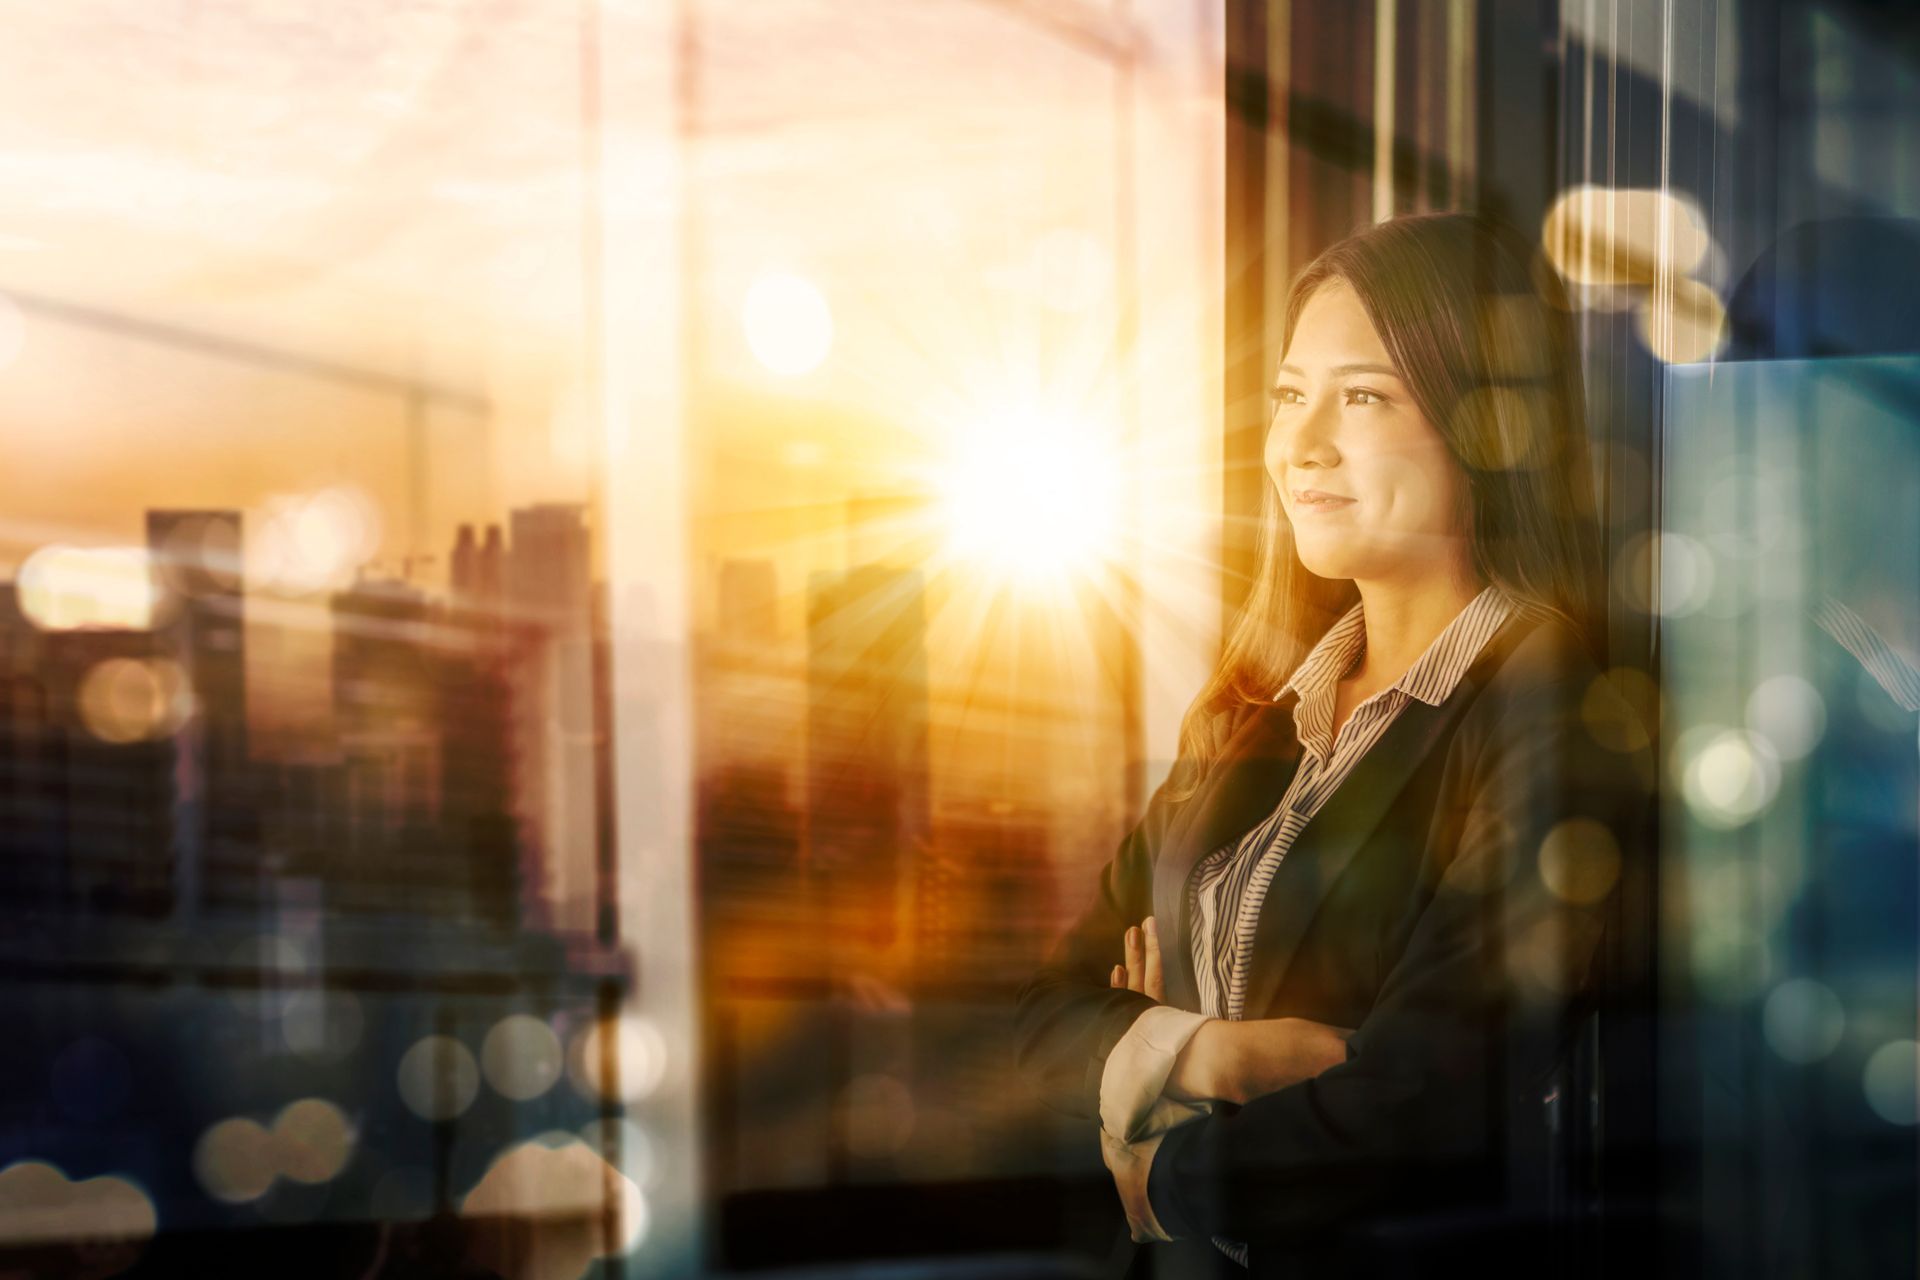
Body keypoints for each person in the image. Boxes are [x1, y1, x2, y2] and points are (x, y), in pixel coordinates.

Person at [1013, 211, 1651, 1278]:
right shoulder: (1253, 704)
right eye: (1290, 394)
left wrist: (1157, 1167)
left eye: (1363, 395)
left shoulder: (1546, 708)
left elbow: (1426, 1102)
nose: (1300, 444)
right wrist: (1208, 1050)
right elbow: (1035, 1015)